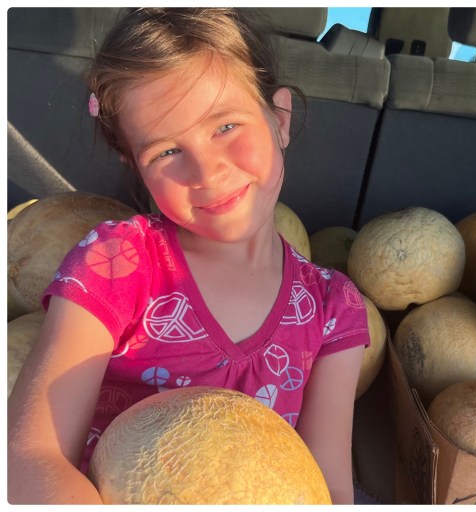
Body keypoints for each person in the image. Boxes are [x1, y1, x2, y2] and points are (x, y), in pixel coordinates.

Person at [7, 8, 367, 504]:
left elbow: (326, 488)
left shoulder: (334, 309)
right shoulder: (119, 261)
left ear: (279, 119)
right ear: (134, 165)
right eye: (166, 152)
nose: (207, 171)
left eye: (226, 127)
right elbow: (30, 459)